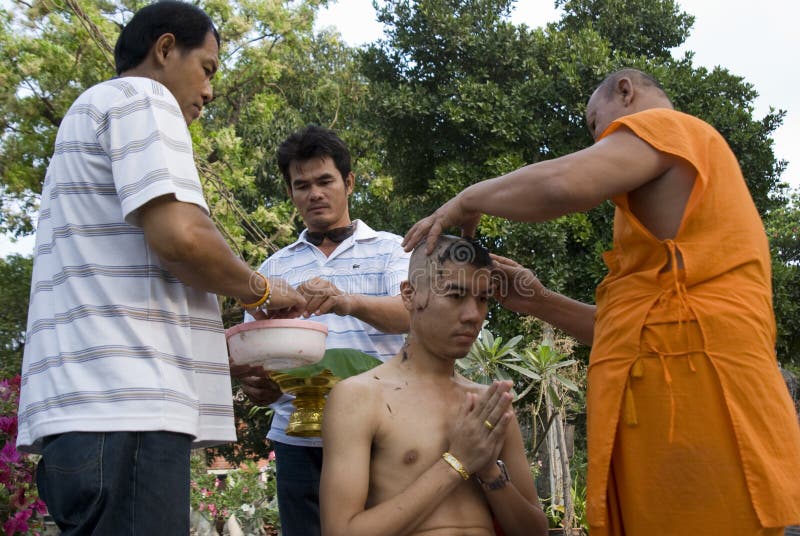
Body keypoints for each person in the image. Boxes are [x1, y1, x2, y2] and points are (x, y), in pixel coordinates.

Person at [403, 68, 800, 535]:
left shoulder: (673, 128)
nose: (603, 142)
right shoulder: (673, 235)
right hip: (676, 411)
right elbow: (637, 329)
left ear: (626, 92)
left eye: (597, 126)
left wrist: (467, 200)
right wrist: (540, 300)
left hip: (699, 413)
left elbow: (563, 184)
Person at [15, 3, 305, 534]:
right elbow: (182, 239)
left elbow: (131, 293)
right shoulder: (142, 97)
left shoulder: (91, 113)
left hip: (90, 420)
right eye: (208, 69)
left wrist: (229, 357)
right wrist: (262, 291)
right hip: (124, 417)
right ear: (166, 49)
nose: (210, 93)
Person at [235, 125, 411, 536]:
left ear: (348, 183)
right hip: (296, 440)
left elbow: (412, 313)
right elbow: (252, 351)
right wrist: (258, 384)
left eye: (324, 181)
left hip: (380, 431)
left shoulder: (392, 249)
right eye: (302, 185)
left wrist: (347, 301)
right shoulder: (271, 269)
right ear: (291, 193)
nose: (314, 193)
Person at [319, 235, 548, 536]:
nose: (473, 315)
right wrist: (457, 462)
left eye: (483, 299)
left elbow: (535, 531)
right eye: (455, 295)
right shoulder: (361, 396)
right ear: (410, 295)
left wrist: (490, 472)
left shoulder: (487, 405)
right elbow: (340, 531)